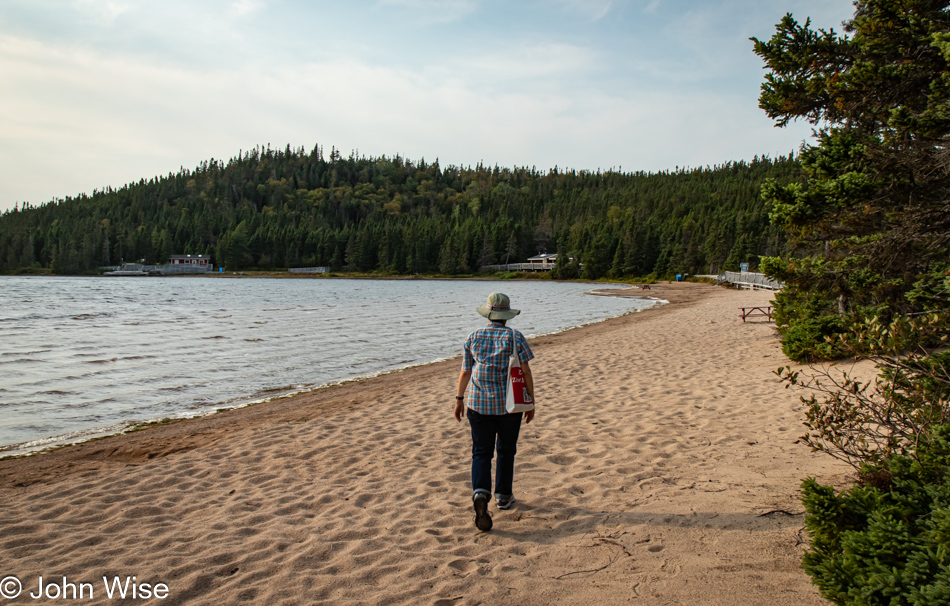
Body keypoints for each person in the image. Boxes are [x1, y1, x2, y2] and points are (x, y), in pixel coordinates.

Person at [454, 292, 535, 532]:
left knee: (481, 452)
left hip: (478, 404)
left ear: (488, 314)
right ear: (506, 315)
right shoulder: (515, 337)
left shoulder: (473, 336)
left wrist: (459, 399)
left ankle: (481, 492)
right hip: (510, 406)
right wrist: (531, 401)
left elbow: (465, 372)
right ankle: (503, 496)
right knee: (506, 450)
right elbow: (526, 372)